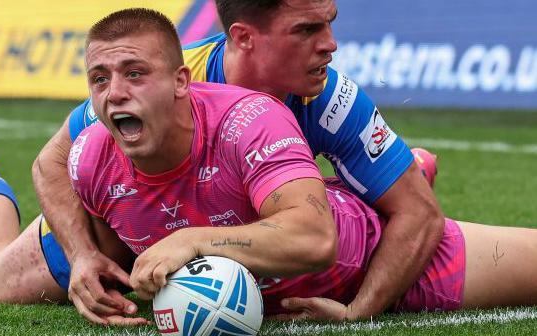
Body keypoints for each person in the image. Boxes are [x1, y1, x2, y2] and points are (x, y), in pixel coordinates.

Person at [70, 8, 537, 322]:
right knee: (1, 282)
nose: (114, 91)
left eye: (133, 74)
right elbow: (52, 166)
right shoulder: (90, 153)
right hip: (282, 212)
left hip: (361, 250)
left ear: (180, 82)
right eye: (100, 79)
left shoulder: (260, 116)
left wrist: (361, 310)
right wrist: (83, 258)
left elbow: (316, 238)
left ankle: (389, 179)